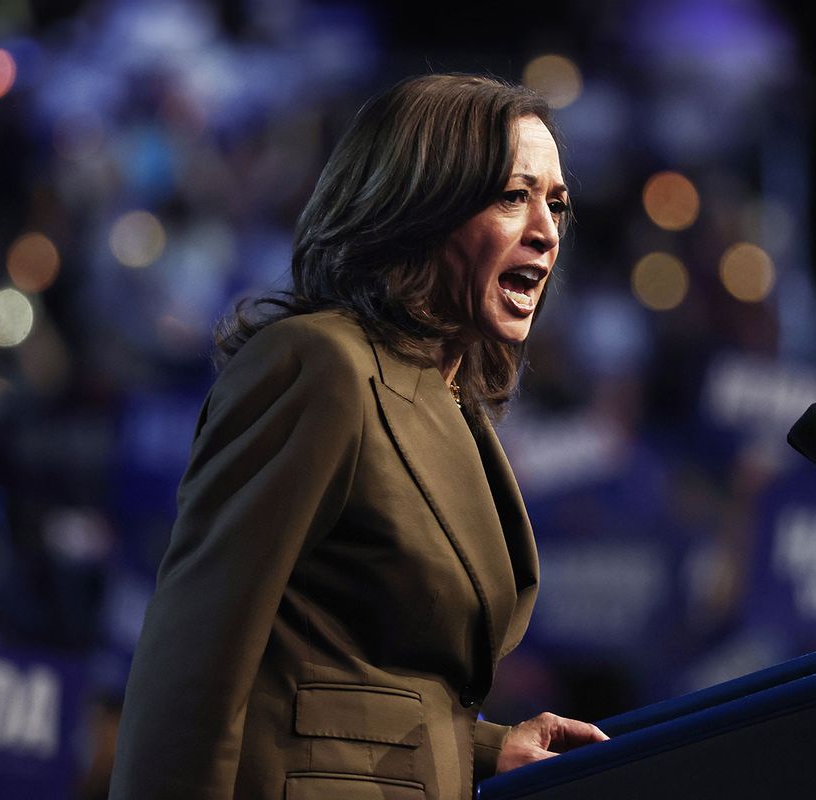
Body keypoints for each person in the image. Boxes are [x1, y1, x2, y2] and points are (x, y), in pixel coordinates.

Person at [109, 73, 608, 800]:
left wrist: (486, 747)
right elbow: (194, 664)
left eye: (556, 204)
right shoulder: (321, 367)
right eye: (512, 196)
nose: (546, 229)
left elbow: (351, 687)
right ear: (421, 206)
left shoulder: (454, 405)